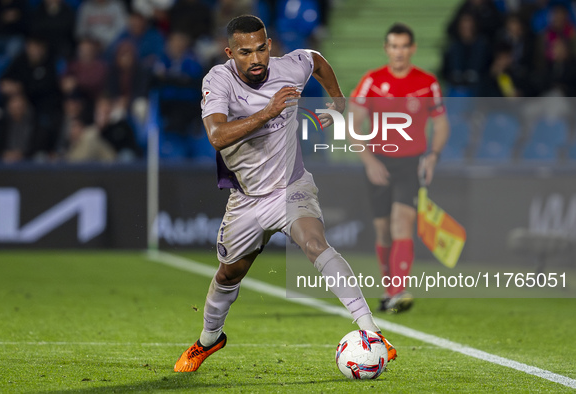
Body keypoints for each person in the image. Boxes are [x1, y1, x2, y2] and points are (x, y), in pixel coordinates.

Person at [174, 15, 397, 373]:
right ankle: (208, 340)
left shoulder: (289, 67)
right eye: (246, 52)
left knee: (315, 244)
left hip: (292, 186)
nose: (256, 58)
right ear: (230, 53)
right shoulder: (218, 80)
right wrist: (269, 111)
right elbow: (216, 135)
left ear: (270, 45)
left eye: (262, 48)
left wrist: (337, 101)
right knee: (229, 274)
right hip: (247, 198)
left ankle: (372, 331)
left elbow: (316, 59)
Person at [350, 23, 450, 313]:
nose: (399, 52)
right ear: (387, 49)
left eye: (404, 46)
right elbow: (353, 125)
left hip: (411, 162)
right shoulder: (371, 81)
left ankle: (398, 291)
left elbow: (441, 123)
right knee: (383, 231)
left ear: (412, 49)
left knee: (401, 224)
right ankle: (388, 290)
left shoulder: (427, 82)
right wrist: (369, 161)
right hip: (379, 161)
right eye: (394, 46)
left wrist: (433, 156)